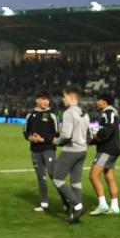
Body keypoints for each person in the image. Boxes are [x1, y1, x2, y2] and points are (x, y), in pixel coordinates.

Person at [52, 85, 90, 224]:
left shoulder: (68, 113)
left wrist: (56, 142)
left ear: (72, 97)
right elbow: (89, 134)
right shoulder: (84, 112)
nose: (63, 99)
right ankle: (76, 213)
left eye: (64, 96)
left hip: (71, 150)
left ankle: (78, 205)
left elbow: (66, 134)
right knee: (76, 183)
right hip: (83, 150)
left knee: (57, 178)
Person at [23, 92, 59, 212]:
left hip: (49, 149)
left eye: (47, 100)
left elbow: (57, 134)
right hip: (35, 150)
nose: (45, 102)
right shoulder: (30, 115)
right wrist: (30, 138)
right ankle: (44, 203)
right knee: (41, 177)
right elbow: (25, 131)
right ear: (37, 100)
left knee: (53, 174)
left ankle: (66, 200)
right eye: (43, 99)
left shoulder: (52, 115)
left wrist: (43, 139)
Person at [89, 93, 120, 216]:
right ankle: (115, 206)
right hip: (113, 149)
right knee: (109, 177)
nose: (96, 102)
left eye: (98, 100)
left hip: (106, 150)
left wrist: (96, 136)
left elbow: (109, 129)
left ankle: (102, 204)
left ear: (104, 101)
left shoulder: (108, 113)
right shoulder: (111, 112)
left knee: (93, 176)